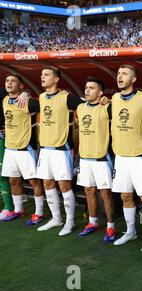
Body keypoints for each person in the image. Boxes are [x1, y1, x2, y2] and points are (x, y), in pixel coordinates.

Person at [110, 65, 142, 251]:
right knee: (125, 196)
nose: (120, 76)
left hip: (139, 157)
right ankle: (131, 231)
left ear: (134, 79)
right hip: (120, 157)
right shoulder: (113, 98)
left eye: (124, 74)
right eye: (118, 73)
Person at [35, 66, 84, 236]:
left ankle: (70, 222)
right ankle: (56, 219)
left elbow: (88, 105)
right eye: (41, 75)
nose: (42, 77)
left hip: (62, 149)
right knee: (47, 183)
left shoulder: (67, 98)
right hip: (45, 149)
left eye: (46, 75)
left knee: (64, 185)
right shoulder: (41, 97)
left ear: (56, 79)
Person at [75, 77, 115, 242]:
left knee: (105, 194)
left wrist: (111, 100)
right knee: (88, 191)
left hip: (101, 159)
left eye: (91, 88)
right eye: (86, 87)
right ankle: (92, 222)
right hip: (84, 159)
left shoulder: (107, 107)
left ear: (100, 93)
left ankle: (111, 226)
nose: (87, 90)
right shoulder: (80, 107)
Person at [0, 74, 45, 225]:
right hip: (10, 148)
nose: (9, 83)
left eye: (13, 81)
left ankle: (39, 213)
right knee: (13, 180)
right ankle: (18, 210)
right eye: (7, 80)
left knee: (34, 181)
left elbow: (47, 106)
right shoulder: (5, 99)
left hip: (26, 149)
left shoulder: (29, 102)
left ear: (20, 85)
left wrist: (27, 94)